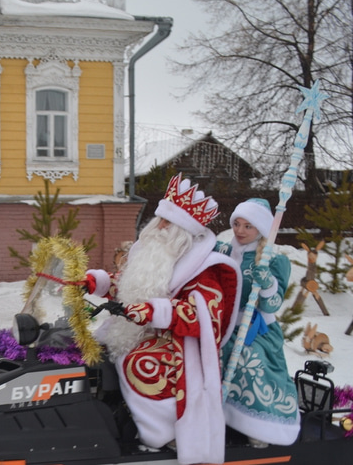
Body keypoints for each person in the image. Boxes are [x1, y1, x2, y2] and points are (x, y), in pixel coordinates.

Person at [84, 174, 241, 465]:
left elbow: (204, 316)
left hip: (180, 344)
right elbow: (135, 287)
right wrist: (100, 283)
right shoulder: (157, 254)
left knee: (139, 363)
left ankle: (164, 433)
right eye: (159, 220)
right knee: (97, 347)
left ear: (183, 231)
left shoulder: (206, 268)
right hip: (144, 329)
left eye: (168, 223)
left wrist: (155, 311)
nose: (159, 227)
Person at [219, 198, 300, 447]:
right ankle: (213, 417)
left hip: (255, 329)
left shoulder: (273, 260)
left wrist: (267, 283)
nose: (240, 231)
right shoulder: (222, 251)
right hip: (223, 325)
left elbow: (272, 305)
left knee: (250, 359)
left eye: (248, 227)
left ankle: (260, 426)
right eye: (237, 224)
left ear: (261, 230)